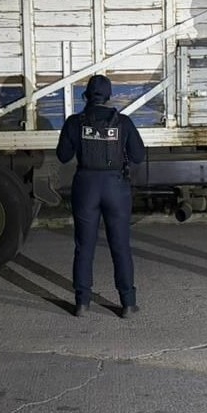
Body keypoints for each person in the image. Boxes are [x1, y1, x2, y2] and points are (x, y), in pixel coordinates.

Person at [56, 74, 146, 318]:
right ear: (109, 96)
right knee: (120, 246)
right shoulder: (123, 122)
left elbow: (63, 156)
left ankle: (82, 303)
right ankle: (127, 303)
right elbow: (138, 156)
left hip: (86, 186)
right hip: (115, 188)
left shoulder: (75, 122)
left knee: (84, 247)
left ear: (86, 95)